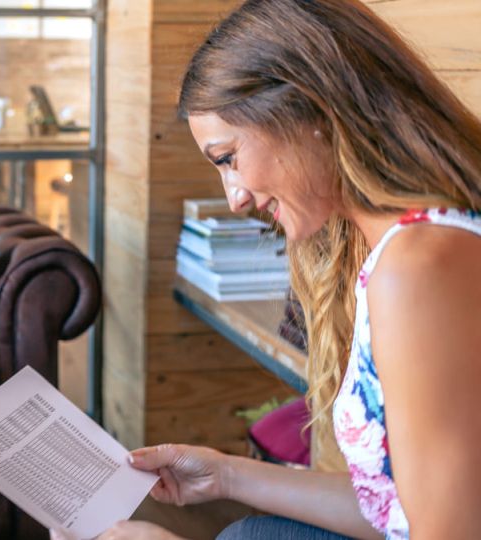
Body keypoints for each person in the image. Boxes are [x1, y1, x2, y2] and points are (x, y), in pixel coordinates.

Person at [95, 0, 481, 538]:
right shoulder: (395, 250)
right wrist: (225, 474)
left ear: (308, 112)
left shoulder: (421, 267)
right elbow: (394, 507)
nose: (234, 198)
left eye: (228, 157)